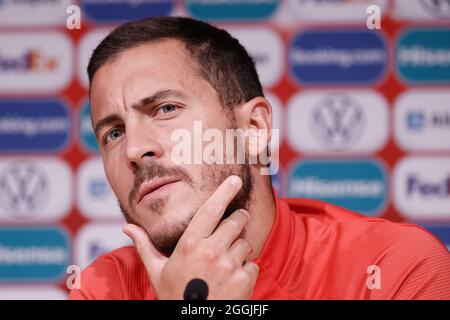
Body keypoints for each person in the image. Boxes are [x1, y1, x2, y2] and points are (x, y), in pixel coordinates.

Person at [69, 17, 450, 300]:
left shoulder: (393, 267)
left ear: (253, 128)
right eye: (113, 133)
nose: (134, 149)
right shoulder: (105, 290)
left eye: (166, 109)